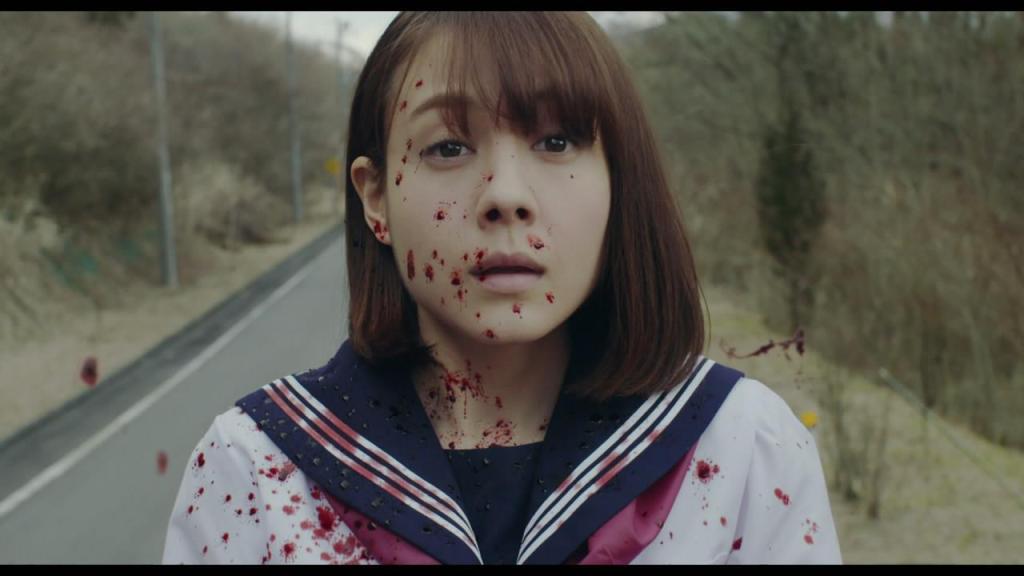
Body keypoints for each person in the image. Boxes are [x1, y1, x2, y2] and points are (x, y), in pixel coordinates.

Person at [162, 12, 842, 565]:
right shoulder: (258, 471)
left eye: (557, 142)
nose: (506, 197)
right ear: (375, 200)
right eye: (448, 148)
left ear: (616, 179)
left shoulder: (740, 449)